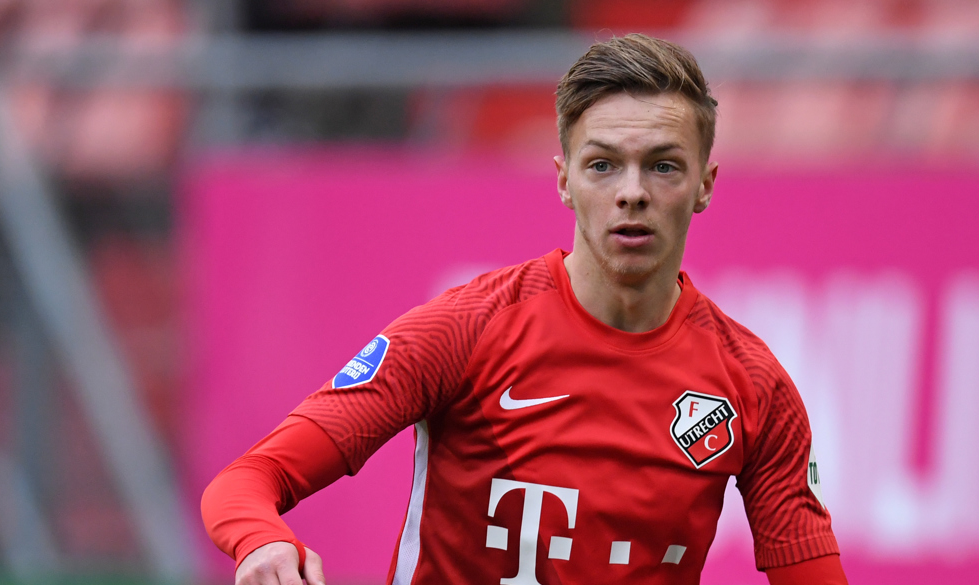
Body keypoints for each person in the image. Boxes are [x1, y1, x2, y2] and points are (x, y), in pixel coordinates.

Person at [201, 33, 847, 585]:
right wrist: (261, 542)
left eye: (662, 167)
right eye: (603, 165)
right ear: (564, 179)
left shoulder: (753, 387)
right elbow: (248, 480)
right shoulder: (464, 331)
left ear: (704, 184)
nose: (631, 192)